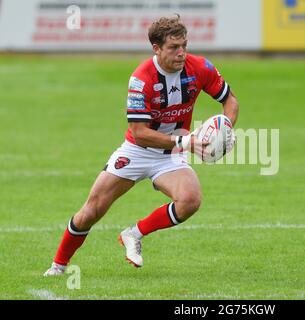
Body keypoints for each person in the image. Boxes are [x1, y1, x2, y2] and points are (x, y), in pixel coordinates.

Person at [44, 15, 239, 276]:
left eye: (184, 45)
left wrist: (224, 128)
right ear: (156, 48)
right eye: (173, 47)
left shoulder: (200, 67)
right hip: (137, 151)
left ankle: (133, 234)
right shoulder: (141, 78)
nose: (181, 53)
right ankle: (58, 266)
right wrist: (187, 141)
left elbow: (231, 101)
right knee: (93, 210)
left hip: (172, 153)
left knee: (190, 200)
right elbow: (139, 133)